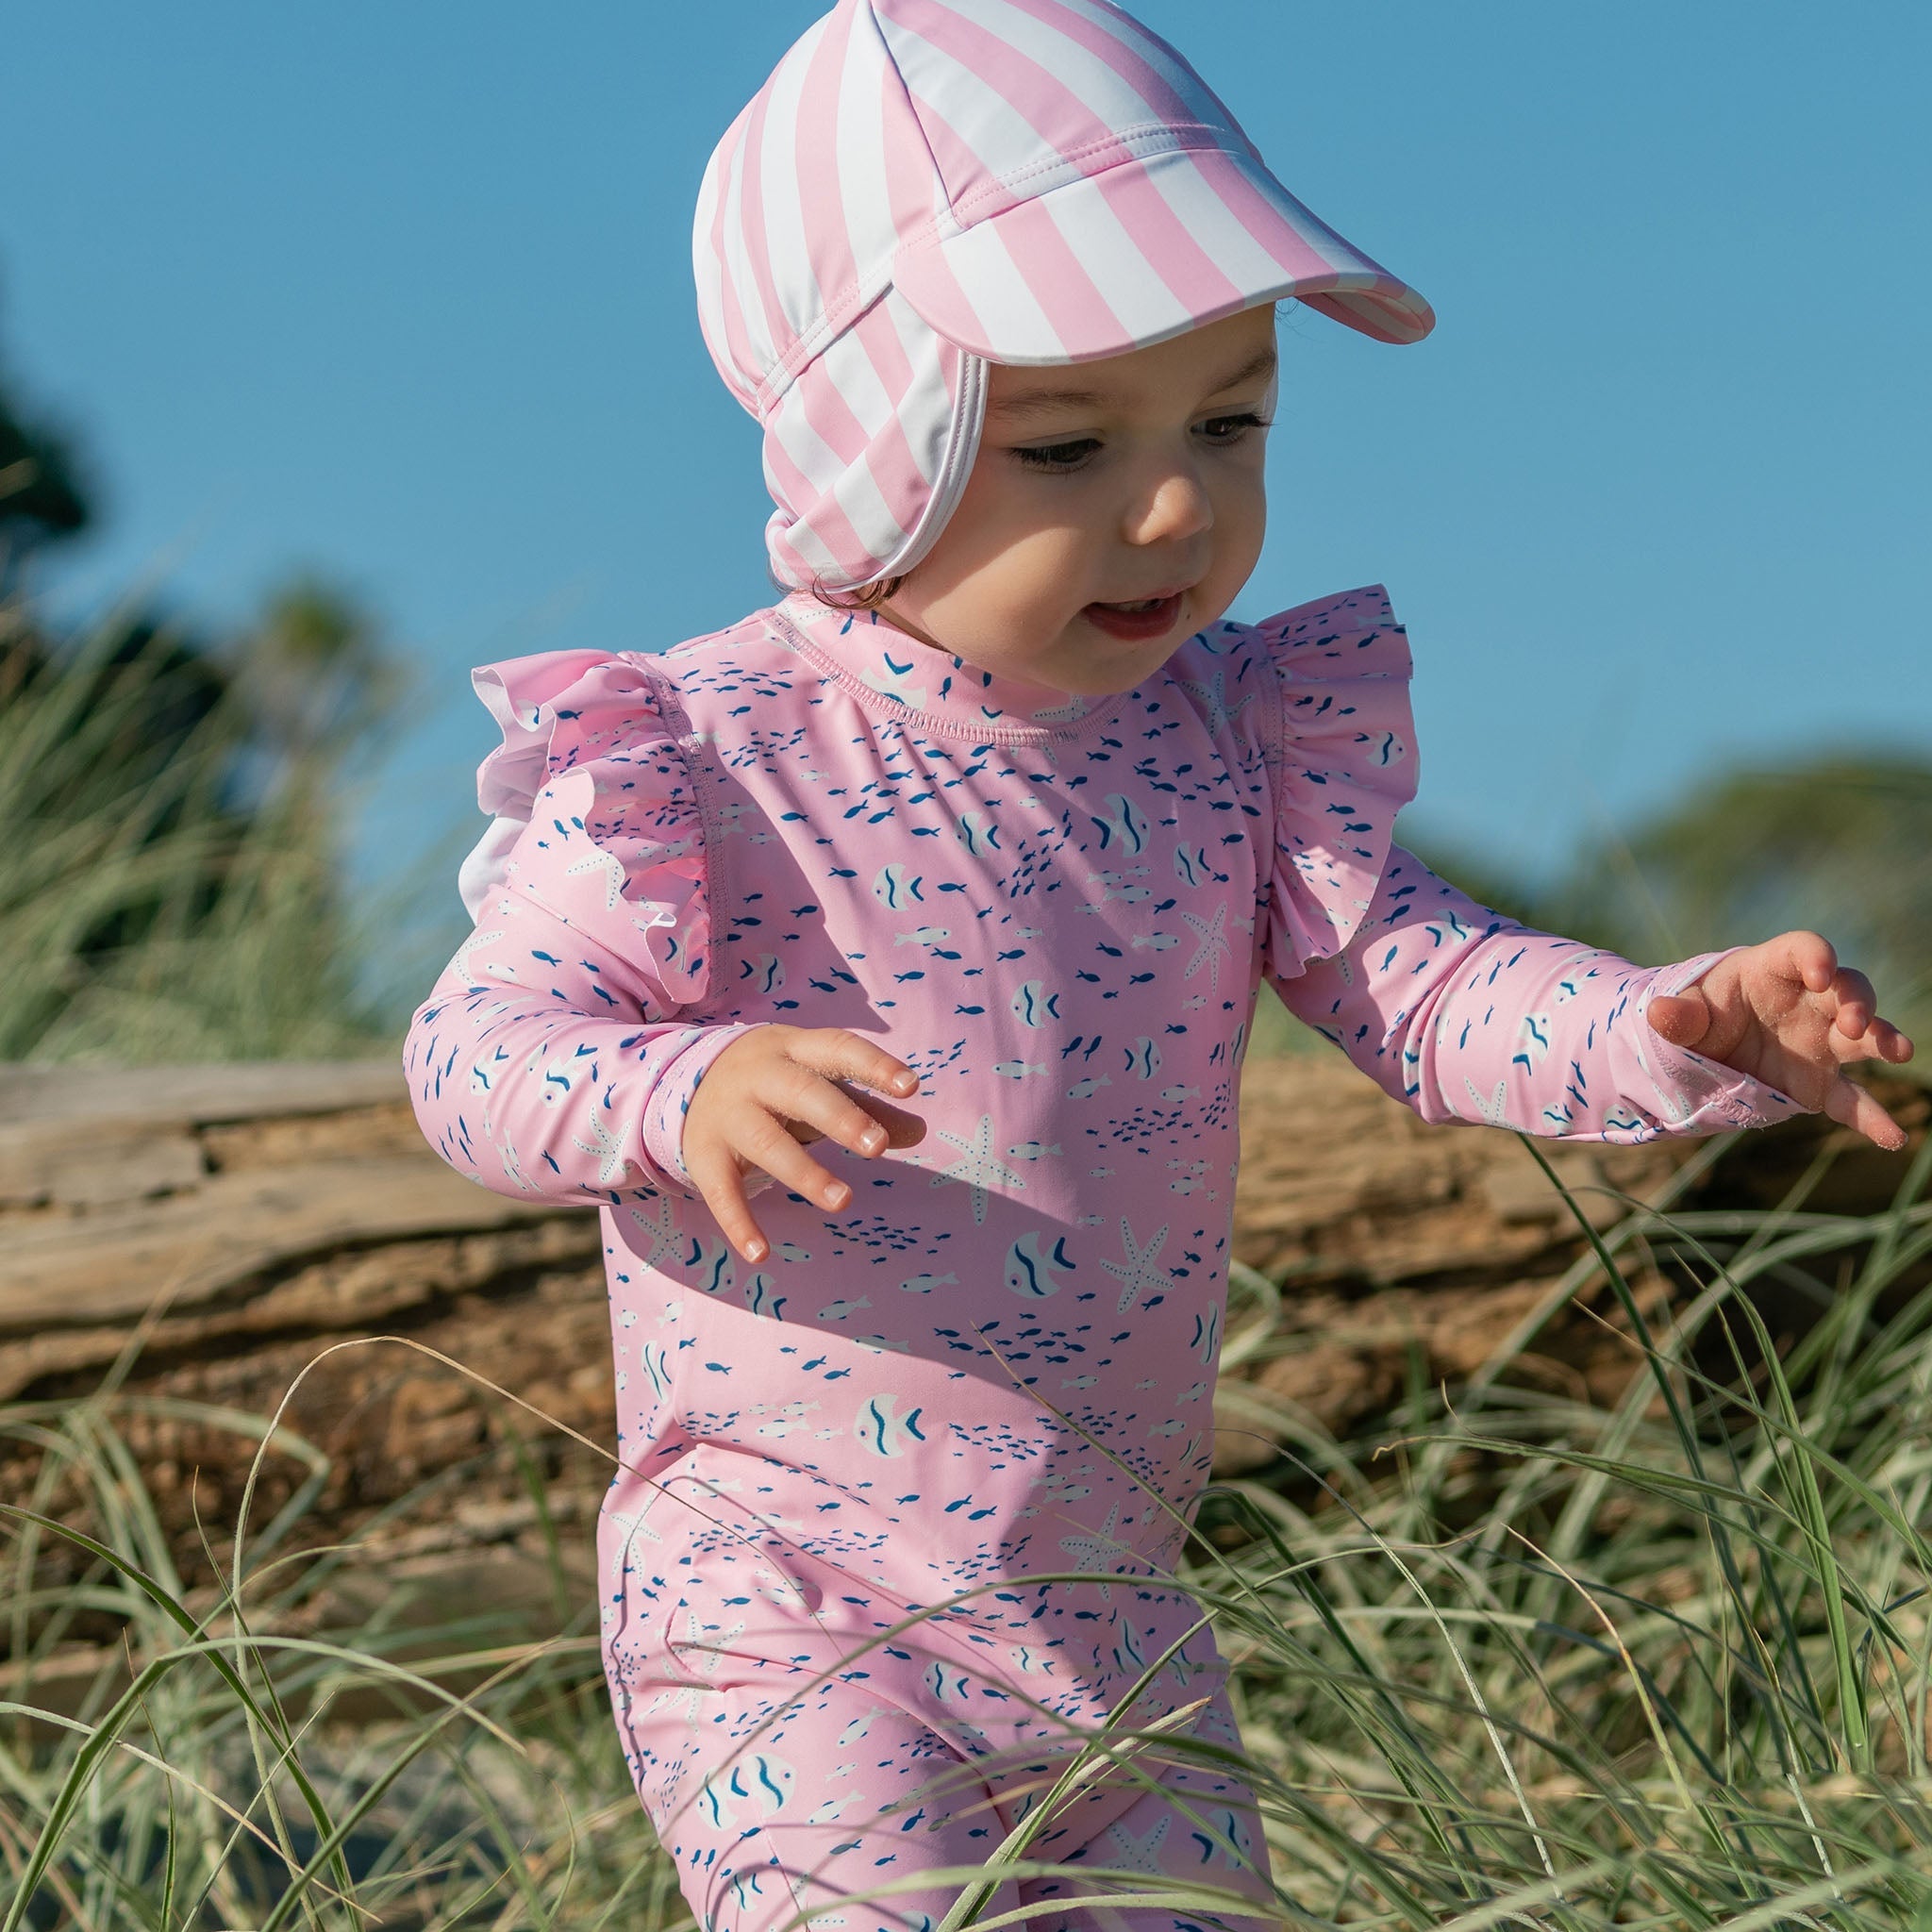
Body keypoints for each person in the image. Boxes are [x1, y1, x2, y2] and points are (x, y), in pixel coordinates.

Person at [403, 3, 1915, 1925]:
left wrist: (1664, 1024)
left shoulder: (1223, 740)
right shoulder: (705, 754)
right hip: (785, 1594)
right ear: (871, 434)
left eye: (1229, 418)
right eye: (1061, 444)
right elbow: (478, 1052)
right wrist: (673, 1084)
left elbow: (1423, 986)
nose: (1178, 503)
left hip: (1111, 1602)